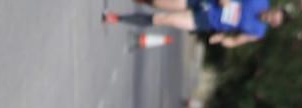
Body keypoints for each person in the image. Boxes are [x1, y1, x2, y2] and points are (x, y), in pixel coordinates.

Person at [103, 0, 286, 49]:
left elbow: (237, 41)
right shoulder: (260, 0)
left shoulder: (258, 32)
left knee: (164, 19)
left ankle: (117, 18)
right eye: (272, 15)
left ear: (273, 25)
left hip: (206, 21)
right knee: (158, 2)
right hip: (205, 2)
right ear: (273, 9)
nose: (269, 18)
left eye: (273, 21)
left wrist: (222, 39)